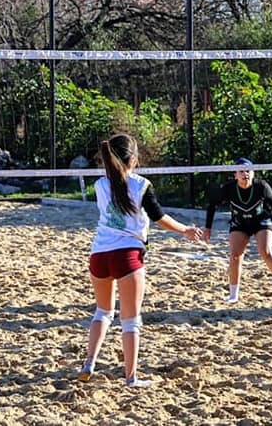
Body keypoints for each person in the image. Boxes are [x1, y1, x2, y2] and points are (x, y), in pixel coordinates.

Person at [79, 133, 204, 388]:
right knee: (131, 319)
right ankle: (131, 377)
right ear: (133, 159)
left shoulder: (100, 185)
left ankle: (89, 363)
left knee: (102, 312)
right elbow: (158, 217)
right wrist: (184, 230)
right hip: (127, 255)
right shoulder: (140, 185)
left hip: (99, 254)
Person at [204, 158, 272, 304]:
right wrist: (208, 228)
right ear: (235, 174)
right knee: (235, 256)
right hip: (240, 223)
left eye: (248, 171)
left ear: (253, 173)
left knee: (266, 252)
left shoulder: (261, 186)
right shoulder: (229, 188)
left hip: (261, 220)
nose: (245, 174)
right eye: (241, 171)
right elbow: (212, 205)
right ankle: (233, 295)